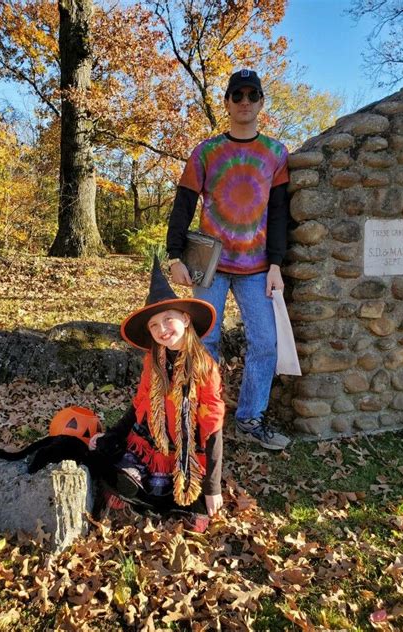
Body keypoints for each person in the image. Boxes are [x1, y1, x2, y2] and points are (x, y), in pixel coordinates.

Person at [166, 69, 290, 451]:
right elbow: (184, 204)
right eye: (238, 95)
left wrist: (276, 264)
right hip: (211, 267)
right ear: (227, 102)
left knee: (266, 343)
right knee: (206, 342)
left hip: (256, 269)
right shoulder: (205, 153)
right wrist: (173, 255)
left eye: (253, 95)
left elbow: (280, 212)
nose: (245, 102)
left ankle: (250, 417)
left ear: (261, 103)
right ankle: (204, 416)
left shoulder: (276, 154)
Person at [88, 257, 225, 532]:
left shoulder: (204, 368)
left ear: (185, 319)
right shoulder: (153, 362)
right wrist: (113, 436)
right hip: (153, 442)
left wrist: (213, 486)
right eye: (154, 325)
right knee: (116, 475)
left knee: (195, 512)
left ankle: (185, 490)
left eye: (168, 319)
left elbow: (213, 429)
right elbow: (140, 403)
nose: (162, 329)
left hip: (188, 448)